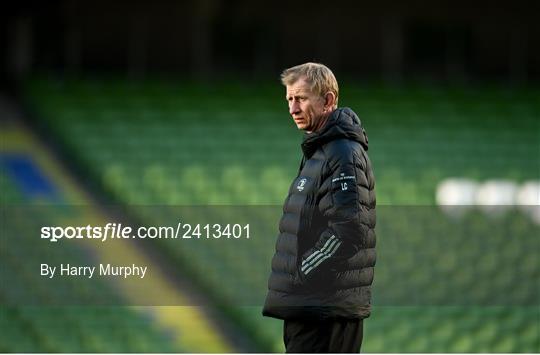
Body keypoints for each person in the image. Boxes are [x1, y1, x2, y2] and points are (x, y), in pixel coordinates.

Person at [262, 62, 376, 353]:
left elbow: (349, 230)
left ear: (328, 100)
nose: (292, 107)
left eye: (300, 98)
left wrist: (303, 272)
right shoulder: (322, 150)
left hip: (325, 311)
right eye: (289, 99)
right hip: (312, 307)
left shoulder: (342, 153)